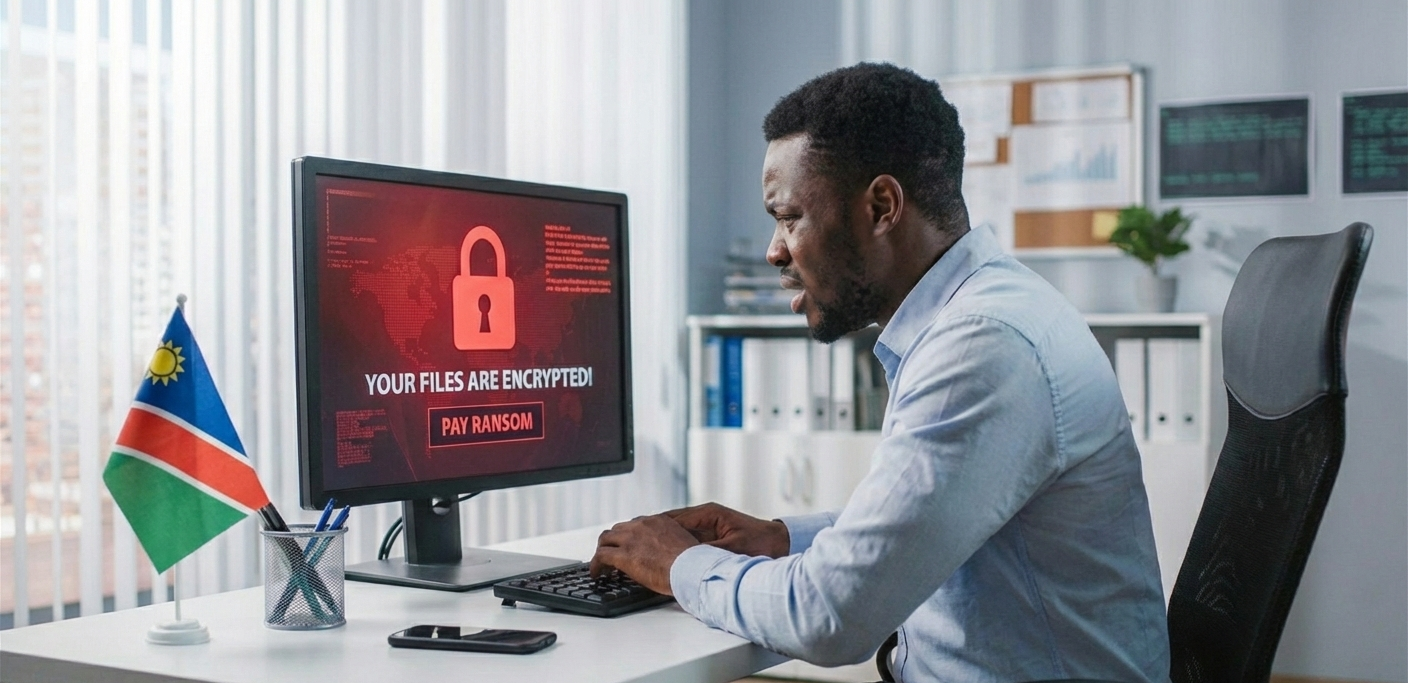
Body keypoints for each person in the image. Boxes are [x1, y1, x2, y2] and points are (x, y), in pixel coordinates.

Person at [591, 63, 1170, 682]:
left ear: (882, 206)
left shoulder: (982, 348)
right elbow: (928, 523)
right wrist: (782, 538)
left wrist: (677, 564)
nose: (774, 249)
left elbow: (831, 616)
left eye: (788, 217)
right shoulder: (983, 313)